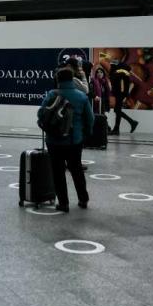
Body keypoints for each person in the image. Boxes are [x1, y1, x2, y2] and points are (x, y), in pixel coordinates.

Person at [38, 68, 94, 211]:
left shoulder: (52, 94)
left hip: (54, 141)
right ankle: (83, 200)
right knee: (76, 171)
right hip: (74, 141)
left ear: (58, 79)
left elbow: (41, 114)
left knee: (57, 172)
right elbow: (90, 118)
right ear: (71, 79)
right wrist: (85, 134)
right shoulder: (81, 96)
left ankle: (63, 203)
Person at [108, 61, 139, 135]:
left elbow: (123, 85)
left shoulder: (121, 73)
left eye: (112, 65)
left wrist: (123, 94)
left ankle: (131, 123)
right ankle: (118, 128)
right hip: (119, 94)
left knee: (117, 110)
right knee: (117, 111)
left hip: (120, 94)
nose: (111, 66)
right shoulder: (121, 73)